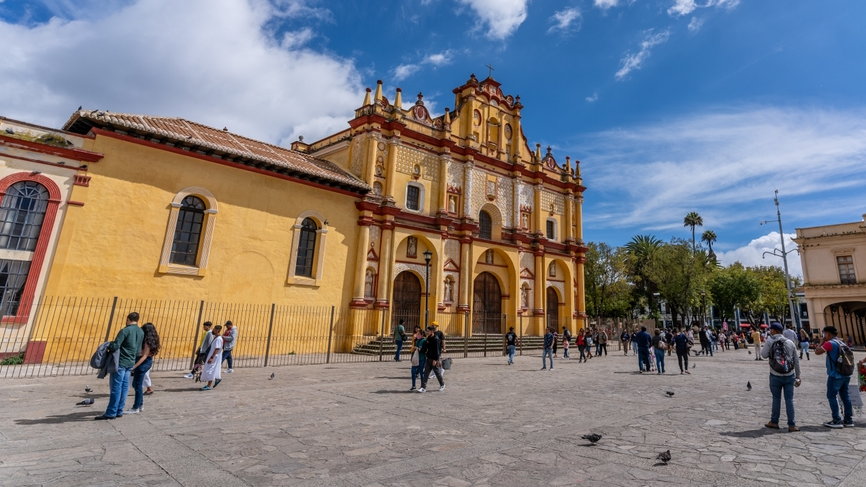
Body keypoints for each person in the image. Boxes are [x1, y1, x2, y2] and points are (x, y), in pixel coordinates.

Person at [95, 312, 144, 420]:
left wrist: (109, 344)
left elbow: (115, 345)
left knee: (116, 388)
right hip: (130, 362)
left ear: (128, 319)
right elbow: (138, 350)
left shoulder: (125, 330)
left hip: (120, 362)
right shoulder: (140, 331)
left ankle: (111, 412)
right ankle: (119, 410)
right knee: (124, 388)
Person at [760, 322, 801, 432]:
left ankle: (774, 421)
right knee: (789, 400)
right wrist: (798, 376)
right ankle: (792, 425)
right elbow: (796, 361)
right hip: (789, 375)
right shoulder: (790, 342)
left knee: (776, 399)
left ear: (774, 330)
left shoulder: (770, 341)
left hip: (775, 374)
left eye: (771, 330)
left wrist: (768, 346)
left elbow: (763, 355)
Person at [814, 326, 854, 428]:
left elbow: (817, 351)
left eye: (824, 334)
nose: (824, 336)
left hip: (835, 374)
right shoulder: (841, 342)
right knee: (845, 396)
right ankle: (848, 420)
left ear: (828, 334)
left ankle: (836, 420)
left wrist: (822, 341)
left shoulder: (829, 343)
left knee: (832, 396)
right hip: (846, 374)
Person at [129, 322, 160, 414]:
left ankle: (136, 407)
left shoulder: (147, 341)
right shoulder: (152, 339)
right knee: (136, 385)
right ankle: (140, 405)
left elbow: (144, 356)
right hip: (146, 363)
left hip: (143, 363)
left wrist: (134, 366)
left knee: (137, 385)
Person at [417, 326, 444, 393]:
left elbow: (437, 351)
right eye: (427, 331)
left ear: (432, 331)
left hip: (434, 359)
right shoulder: (428, 338)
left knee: (437, 373)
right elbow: (425, 347)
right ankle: (423, 388)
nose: (427, 332)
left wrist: (436, 360)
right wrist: (421, 350)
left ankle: (442, 384)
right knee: (426, 373)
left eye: (428, 331)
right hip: (428, 358)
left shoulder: (436, 339)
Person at [201, 325, 223, 390]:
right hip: (212, 356)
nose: (213, 330)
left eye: (214, 330)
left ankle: (209, 385)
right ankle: (216, 379)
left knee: (210, 370)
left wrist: (212, 357)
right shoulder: (216, 338)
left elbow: (217, 349)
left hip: (214, 357)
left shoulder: (218, 339)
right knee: (211, 369)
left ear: (217, 330)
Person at [409, 326, 426, 391]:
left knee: (421, 373)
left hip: (422, 358)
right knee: (413, 372)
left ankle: (422, 386)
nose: (417, 335)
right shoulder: (417, 340)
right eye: (417, 334)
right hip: (416, 358)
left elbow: (423, 350)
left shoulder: (424, 341)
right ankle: (413, 385)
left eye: (418, 334)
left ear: (422, 335)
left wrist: (417, 348)